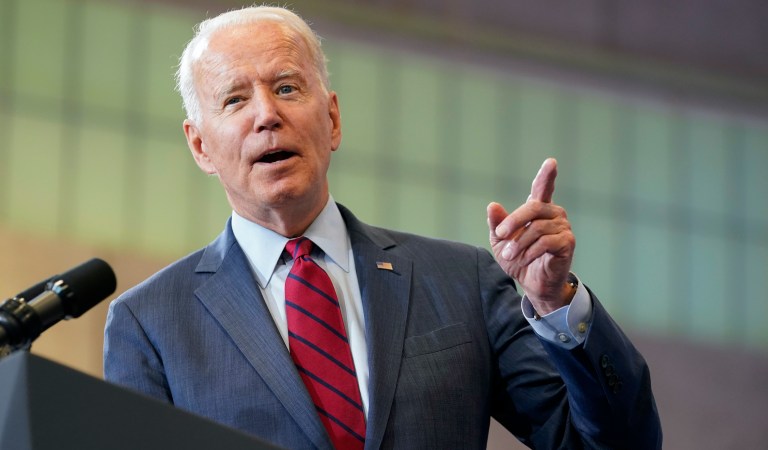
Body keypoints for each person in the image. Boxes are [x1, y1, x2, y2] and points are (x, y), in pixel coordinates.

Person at [103, 5, 661, 450]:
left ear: (333, 119)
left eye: (288, 88)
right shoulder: (150, 323)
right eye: (234, 99)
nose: (266, 114)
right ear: (200, 145)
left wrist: (553, 302)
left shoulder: (461, 281)